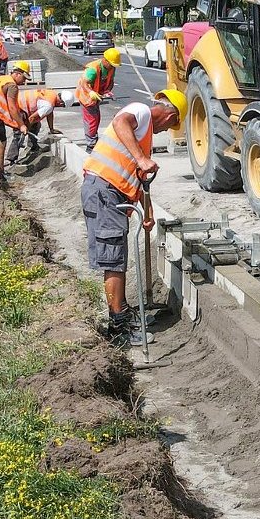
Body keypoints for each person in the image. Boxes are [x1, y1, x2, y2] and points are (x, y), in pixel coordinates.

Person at [81, 89, 187, 345]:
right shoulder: (140, 111)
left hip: (110, 194)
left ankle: (122, 312)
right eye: (171, 125)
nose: (165, 131)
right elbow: (120, 122)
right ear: (170, 115)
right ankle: (118, 329)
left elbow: (140, 180)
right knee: (114, 260)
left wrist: (148, 213)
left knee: (117, 257)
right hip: (104, 192)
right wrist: (141, 158)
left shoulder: (144, 136)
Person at [5, 87, 66, 169]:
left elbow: (49, 113)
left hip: (19, 104)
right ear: (61, 103)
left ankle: (32, 148)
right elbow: (31, 118)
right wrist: (26, 128)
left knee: (36, 125)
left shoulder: (52, 95)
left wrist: (51, 129)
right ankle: (11, 160)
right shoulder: (49, 105)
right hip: (18, 108)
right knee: (19, 135)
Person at [76, 48, 122, 149]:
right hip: (87, 96)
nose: (113, 67)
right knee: (91, 120)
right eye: (112, 64)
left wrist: (107, 91)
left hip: (97, 95)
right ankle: (91, 144)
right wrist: (91, 92)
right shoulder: (93, 69)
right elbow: (85, 83)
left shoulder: (111, 68)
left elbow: (111, 81)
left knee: (96, 118)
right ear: (105, 60)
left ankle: (93, 140)